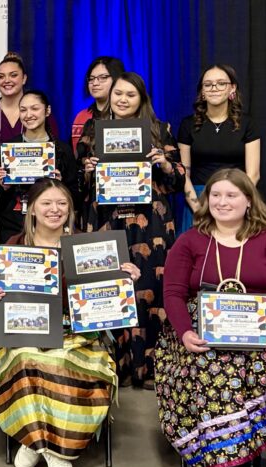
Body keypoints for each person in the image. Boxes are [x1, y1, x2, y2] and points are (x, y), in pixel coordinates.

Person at [156, 168, 266, 467]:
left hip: (263, 331)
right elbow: (172, 292)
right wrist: (184, 332)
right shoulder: (191, 240)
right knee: (211, 369)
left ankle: (253, 460)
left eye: (231, 195)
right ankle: (222, 462)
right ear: (206, 199)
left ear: (248, 200)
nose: (222, 202)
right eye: (215, 195)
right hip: (201, 330)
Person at [0, 178, 139, 467]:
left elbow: (107, 297)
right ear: (32, 209)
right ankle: (34, 440)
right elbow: (0, 296)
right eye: (47, 203)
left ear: (70, 209)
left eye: (62, 203)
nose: (55, 210)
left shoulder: (87, 246)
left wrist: (122, 279)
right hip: (26, 330)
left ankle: (58, 450)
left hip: (76, 331)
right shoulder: (14, 246)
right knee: (27, 360)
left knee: (71, 365)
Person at [77, 72, 185, 389]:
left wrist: (164, 163)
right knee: (109, 285)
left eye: (131, 95)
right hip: (106, 218)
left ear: (142, 99)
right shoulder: (92, 131)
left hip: (151, 220)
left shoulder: (159, 130)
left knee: (150, 287)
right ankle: (115, 365)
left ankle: (149, 368)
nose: (123, 99)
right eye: (118, 93)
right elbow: (80, 185)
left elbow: (177, 178)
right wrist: (87, 171)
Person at [176, 64, 260, 235]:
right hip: (199, 200)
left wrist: (234, 202)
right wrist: (199, 208)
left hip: (236, 197)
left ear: (232, 88)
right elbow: (183, 173)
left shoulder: (247, 124)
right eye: (208, 84)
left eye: (221, 83)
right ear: (202, 91)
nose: (214, 88)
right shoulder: (187, 125)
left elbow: (254, 174)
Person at [0, 90, 81, 241]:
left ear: (47, 111)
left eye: (35, 108)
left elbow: (75, 198)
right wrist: (4, 187)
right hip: (14, 225)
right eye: (23, 110)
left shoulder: (62, 149)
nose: (28, 115)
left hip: (51, 225)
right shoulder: (9, 148)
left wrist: (61, 185)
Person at [0, 52, 61, 157]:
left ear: (24, 78)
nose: (7, 80)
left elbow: (55, 152)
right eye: (1, 77)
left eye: (13, 75)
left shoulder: (40, 113)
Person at [71, 56, 125, 150]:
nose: (95, 83)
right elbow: (76, 158)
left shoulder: (128, 114)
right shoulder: (82, 117)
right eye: (91, 79)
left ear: (117, 79)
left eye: (103, 77)